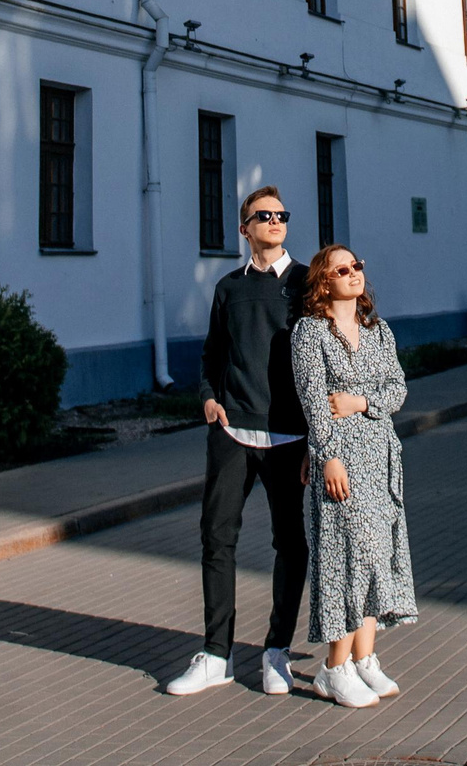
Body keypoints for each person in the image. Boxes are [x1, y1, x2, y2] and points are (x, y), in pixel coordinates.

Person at [165, 188, 308, 697]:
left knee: (290, 543)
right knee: (216, 537)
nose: (274, 221)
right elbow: (211, 354)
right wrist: (208, 398)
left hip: (290, 435)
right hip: (232, 431)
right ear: (244, 228)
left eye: (281, 215)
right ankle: (217, 654)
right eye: (263, 216)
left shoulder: (306, 283)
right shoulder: (228, 287)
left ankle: (276, 652)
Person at [292, 242, 416, 709]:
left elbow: (398, 388)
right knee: (346, 557)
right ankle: (334, 667)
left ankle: (366, 658)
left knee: (377, 556)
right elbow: (313, 400)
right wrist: (326, 456)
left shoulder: (377, 330)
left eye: (358, 265)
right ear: (325, 281)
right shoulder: (310, 333)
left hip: (381, 456)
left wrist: (361, 402)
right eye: (343, 269)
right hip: (341, 457)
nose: (354, 274)